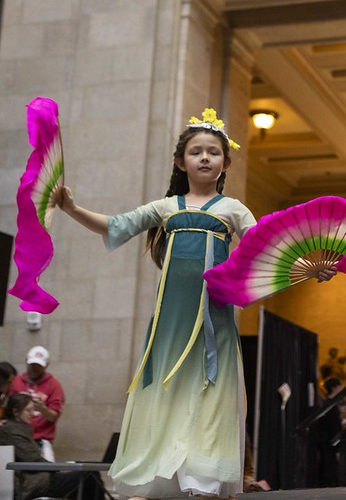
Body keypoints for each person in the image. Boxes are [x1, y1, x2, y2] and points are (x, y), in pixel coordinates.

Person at [53, 109, 256, 499]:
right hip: (169, 323)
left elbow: (268, 248)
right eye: (196, 151)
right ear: (181, 161)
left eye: (213, 152)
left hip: (215, 319)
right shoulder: (166, 208)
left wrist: (310, 268)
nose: (204, 158)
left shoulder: (234, 210)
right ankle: (161, 477)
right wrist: (72, 209)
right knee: (167, 390)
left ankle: (204, 477)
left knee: (211, 392)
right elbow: (116, 225)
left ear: (225, 162)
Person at [0, 392, 105, 500]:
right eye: (28, 410)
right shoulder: (11, 431)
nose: (32, 414)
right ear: (16, 411)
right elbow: (32, 459)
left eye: (33, 409)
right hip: (33, 483)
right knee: (88, 476)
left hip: (38, 478)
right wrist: (58, 468)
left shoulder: (16, 430)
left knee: (89, 475)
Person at [8, 346, 64, 462]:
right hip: (17, 437)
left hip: (41, 440)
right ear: (26, 362)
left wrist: (42, 409)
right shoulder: (17, 382)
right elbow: (9, 408)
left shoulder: (54, 385)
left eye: (39, 366)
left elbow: (54, 416)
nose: (35, 369)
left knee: (47, 472)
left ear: (46, 365)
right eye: (32, 365)